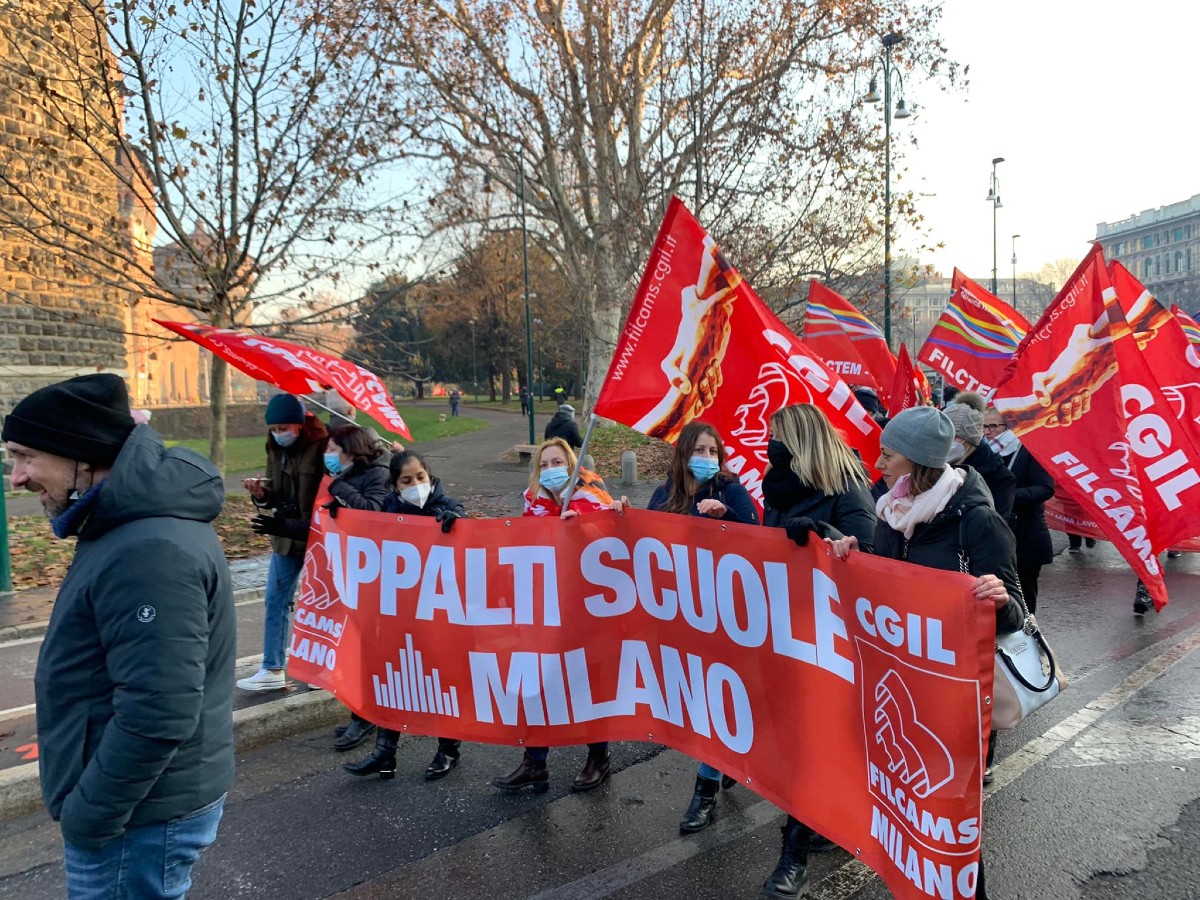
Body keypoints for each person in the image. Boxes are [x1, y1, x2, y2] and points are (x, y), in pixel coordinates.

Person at [2, 374, 234, 898]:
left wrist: (90, 817)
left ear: (80, 454)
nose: (16, 477)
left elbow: (159, 710)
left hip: (138, 817)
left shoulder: (146, 548)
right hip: (143, 807)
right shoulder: (128, 525)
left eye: (25, 456)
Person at [830, 405, 1025, 900]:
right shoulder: (890, 512)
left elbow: (1016, 614)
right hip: (902, 684)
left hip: (954, 694)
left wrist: (998, 597)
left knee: (946, 813)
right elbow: (886, 585)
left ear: (917, 463)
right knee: (905, 807)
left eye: (889, 455)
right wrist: (854, 555)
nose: (879, 463)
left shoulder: (977, 520)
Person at [756, 404, 878, 898]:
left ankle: (794, 857)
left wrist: (824, 538)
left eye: (777, 437)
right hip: (785, 627)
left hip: (830, 637)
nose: (770, 445)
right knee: (797, 740)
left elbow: (870, 560)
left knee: (812, 740)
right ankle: (830, 818)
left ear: (799, 440)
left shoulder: (847, 487)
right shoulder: (777, 487)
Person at [492, 438, 622, 793]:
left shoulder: (593, 496)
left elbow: (615, 542)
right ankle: (534, 762)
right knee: (536, 682)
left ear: (572, 464)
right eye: (544, 464)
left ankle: (598, 758)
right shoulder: (531, 501)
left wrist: (581, 528)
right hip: (543, 608)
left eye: (557, 461)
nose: (551, 469)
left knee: (587, 682)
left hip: (584, 608)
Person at [647, 421, 758, 833]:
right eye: (700, 451)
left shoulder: (729, 489)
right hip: (680, 617)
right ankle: (726, 761)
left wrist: (728, 516)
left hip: (723, 618)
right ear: (683, 455)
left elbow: (760, 541)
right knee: (695, 701)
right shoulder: (664, 494)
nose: (707, 459)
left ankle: (705, 791)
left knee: (716, 703)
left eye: (714, 452)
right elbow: (642, 541)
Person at [344, 450, 470, 780]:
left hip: (439, 616)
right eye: (407, 480)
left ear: (430, 477)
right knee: (391, 680)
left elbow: (470, 545)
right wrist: (337, 517)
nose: (416, 484)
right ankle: (385, 752)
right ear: (395, 486)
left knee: (443, 681)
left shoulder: (449, 507)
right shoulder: (389, 511)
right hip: (400, 615)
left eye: (420, 477)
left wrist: (457, 525)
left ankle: (448, 750)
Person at [239, 394, 328, 692]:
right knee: (275, 599)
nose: (279, 434)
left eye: (283, 427)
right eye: (274, 429)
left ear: (299, 424)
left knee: (321, 604)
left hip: (320, 537)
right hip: (286, 537)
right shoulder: (274, 447)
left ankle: (321, 669)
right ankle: (272, 667)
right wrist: (261, 494)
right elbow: (275, 490)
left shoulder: (323, 447)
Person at [320, 425, 394, 751]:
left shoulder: (377, 473)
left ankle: (368, 718)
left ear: (351, 451)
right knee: (354, 648)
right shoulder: (350, 475)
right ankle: (359, 713)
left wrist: (340, 488)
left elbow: (373, 512)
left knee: (370, 650)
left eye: (334, 449)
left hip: (377, 575)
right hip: (355, 572)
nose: (329, 455)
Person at [984, 407, 1055, 614]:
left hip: (1025, 537)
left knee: (1024, 599)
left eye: (993, 426)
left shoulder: (1028, 449)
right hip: (995, 538)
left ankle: (1029, 642)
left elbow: (1045, 488)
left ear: (1009, 426)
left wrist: (1007, 496)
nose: (987, 432)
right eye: (984, 426)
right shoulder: (985, 454)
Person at [944, 402, 1015, 522]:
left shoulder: (1000, 477)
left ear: (969, 440)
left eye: (954, 436)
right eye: (945, 436)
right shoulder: (937, 466)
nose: (948, 442)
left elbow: (995, 528)